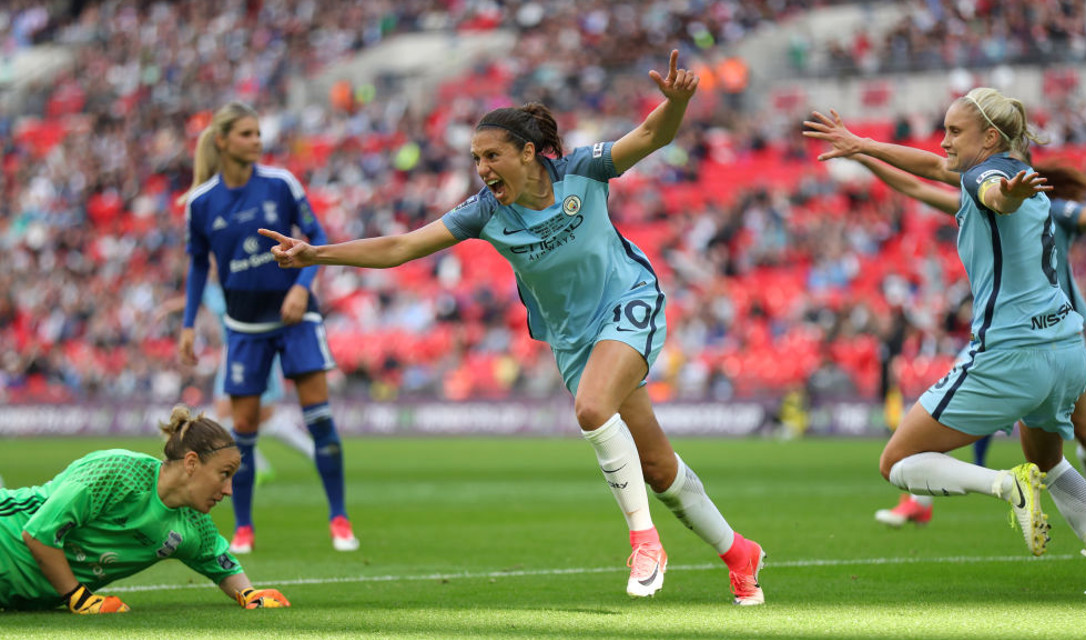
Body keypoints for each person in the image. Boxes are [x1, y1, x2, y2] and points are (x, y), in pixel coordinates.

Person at [259, 51, 767, 605]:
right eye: (476, 158)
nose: (482, 168)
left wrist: (678, 104)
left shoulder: (583, 170)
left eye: (492, 155)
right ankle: (740, 553)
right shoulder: (484, 212)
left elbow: (650, 136)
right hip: (573, 339)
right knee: (656, 465)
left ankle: (645, 541)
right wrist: (317, 255)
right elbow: (402, 246)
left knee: (592, 410)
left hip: (629, 301)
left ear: (528, 153)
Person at [803, 88, 1086, 596]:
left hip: (1011, 352)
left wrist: (1004, 194)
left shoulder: (988, 174)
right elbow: (935, 171)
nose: (944, 141)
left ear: (991, 138)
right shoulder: (1025, 187)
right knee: (1052, 462)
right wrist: (864, 146)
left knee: (895, 463)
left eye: (954, 132)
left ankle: (1005, 484)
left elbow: (994, 192)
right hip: (1067, 348)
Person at [857, 156, 1086, 531]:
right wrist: (863, 154)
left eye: (956, 132)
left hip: (1056, 334)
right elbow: (921, 186)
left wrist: (863, 149)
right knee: (950, 405)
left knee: (1081, 432)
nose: (949, 144)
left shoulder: (1056, 209)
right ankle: (921, 499)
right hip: (1004, 332)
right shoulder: (980, 200)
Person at [178, 101, 357, 553]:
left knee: (318, 419)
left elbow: (315, 239)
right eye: (246, 134)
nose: (257, 141)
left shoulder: (281, 184)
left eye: (258, 133)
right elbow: (199, 266)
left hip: (296, 317)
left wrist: (301, 286)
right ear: (222, 141)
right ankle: (243, 528)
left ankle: (339, 518)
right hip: (243, 325)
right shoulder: (200, 203)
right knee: (242, 431)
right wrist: (187, 324)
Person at [0, 406, 290, 612]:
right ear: (191, 463)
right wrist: (79, 598)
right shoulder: (117, 471)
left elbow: (221, 564)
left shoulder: (194, 524)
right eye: (224, 474)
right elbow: (38, 534)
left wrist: (250, 595)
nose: (228, 490)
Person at [158, 279, 317, 487]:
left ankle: (309, 453)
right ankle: (264, 465)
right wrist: (169, 307)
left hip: (256, 348)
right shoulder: (211, 286)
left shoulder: (241, 273)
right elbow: (194, 299)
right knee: (228, 417)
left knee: (264, 419)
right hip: (232, 353)